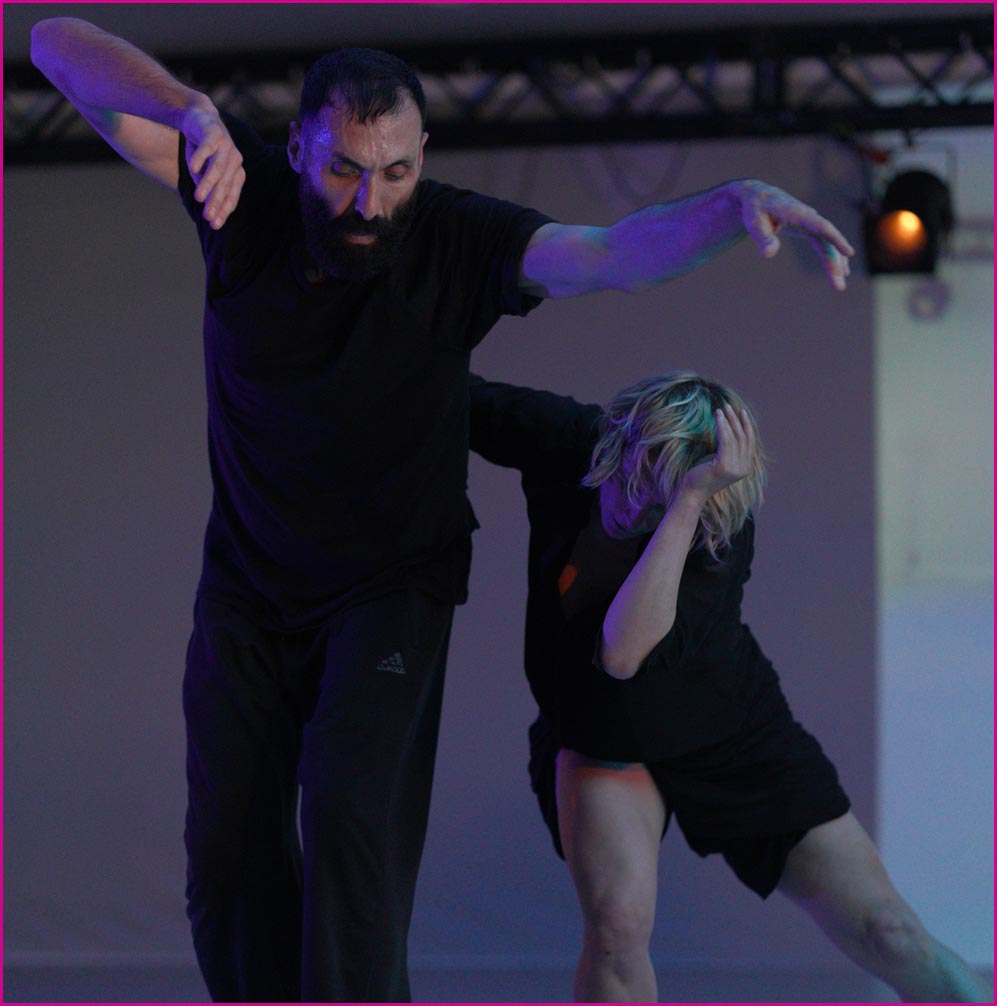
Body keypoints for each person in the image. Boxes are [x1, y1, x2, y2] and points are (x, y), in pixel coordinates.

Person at [30, 16, 857, 1003]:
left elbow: (610, 253)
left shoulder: (459, 239)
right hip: (248, 586)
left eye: (394, 173)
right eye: (342, 170)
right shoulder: (238, 193)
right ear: (297, 147)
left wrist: (729, 204)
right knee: (226, 849)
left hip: (389, 588)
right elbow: (49, 41)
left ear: (421, 155)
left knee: (349, 814)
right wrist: (187, 108)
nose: (368, 201)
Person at [468, 372, 991, 1003]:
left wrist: (688, 503)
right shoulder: (570, 438)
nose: (635, 507)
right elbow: (438, 392)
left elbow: (624, 652)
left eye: (660, 502)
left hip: (727, 730)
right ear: (616, 442)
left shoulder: (717, 528)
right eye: (632, 480)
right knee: (616, 930)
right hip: (603, 736)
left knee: (890, 932)